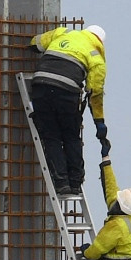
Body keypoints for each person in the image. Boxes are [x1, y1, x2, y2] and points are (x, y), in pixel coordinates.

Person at [28, 24, 108, 197]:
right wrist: (99, 122)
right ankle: (75, 183)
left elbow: (35, 43)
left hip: (40, 86)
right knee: (71, 137)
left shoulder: (63, 32)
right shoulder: (96, 57)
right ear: (100, 42)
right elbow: (95, 94)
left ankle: (61, 183)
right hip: (66, 93)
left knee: (51, 136)